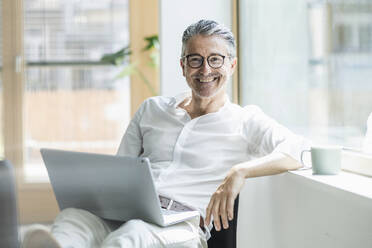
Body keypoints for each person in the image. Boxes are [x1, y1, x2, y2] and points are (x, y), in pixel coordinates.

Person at [23, 19, 309, 248]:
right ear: (182, 66)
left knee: (130, 238)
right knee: (74, 219)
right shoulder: (152, 109)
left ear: (231, 65)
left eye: (216, 59)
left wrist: (240, 171)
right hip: (130, 212)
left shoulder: (245, 120)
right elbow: (119, 168)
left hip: (182, 228)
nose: (205, 69)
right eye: (195, 59)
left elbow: (296, 149)